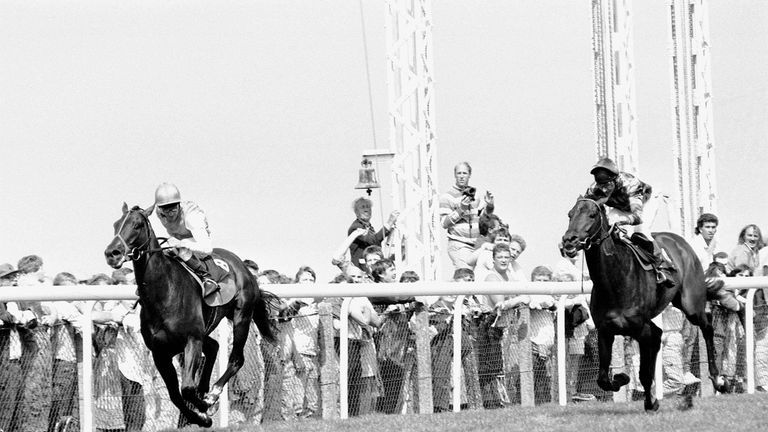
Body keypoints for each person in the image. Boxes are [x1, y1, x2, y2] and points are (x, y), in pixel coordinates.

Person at [584, 157, 675, 289]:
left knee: (640, 231)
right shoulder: (594, 188)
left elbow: (637, 217)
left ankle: (662, 267)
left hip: (645, 202)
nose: (603, 189)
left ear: (614, 179)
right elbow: (587, 210)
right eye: (600, 183)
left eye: (607, 184)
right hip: (622, 206)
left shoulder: (631, 184)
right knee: (608, 228)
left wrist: (622, 220)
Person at [152, 182, 226, 295]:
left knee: (180, 248)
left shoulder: (192, 216)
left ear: (179, 204)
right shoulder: (158, 212)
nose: (170, 213)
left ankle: (207, 279)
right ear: (159, 208)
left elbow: (207, 248)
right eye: (165, 209)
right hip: (177, 240)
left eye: (173, 208)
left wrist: (184, 244)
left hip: (197, 242)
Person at [439, 162, 495, 270]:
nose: (461, 176)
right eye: (459, 173)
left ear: (469, 175)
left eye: (464, 173)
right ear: (455, 175)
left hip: (476, 243)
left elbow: (482, 218)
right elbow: (444, 223)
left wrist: (490, 205)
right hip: (459, 244)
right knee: (466, 278)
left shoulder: (475, 194)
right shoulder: (446, 197)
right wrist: (462, 209)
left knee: (479, 276)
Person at [347, 197, 400, 271]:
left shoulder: (369, 227)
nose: (366, 209)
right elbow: (374, 240)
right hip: (362, 271)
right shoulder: (356, 227)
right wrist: (389, 222)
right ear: (356, 212)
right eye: (362, 207)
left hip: (373, 268)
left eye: (368, 207)